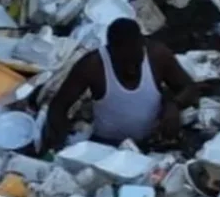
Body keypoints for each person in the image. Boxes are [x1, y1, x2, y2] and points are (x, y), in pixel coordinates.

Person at [42, 18, 198, 151]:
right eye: (123, 63)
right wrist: (62, 143)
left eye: (136, 62)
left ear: (142, 45)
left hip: (151, 142)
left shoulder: (157, 56)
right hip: (106, 146)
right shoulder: (92, 66)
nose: (131, 69)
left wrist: (174, 105)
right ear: (110, 51)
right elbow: (58, 106)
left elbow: (189, 87)